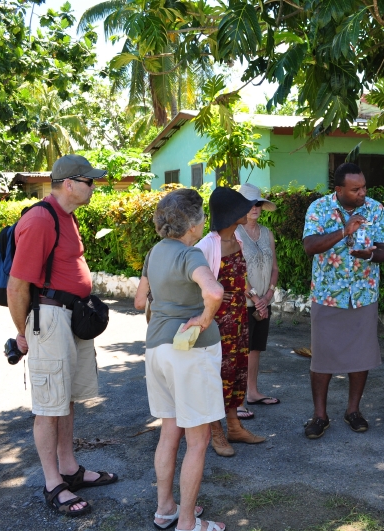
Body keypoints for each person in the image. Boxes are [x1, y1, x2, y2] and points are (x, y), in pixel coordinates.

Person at [6, 155, 117, 517]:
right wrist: (22, 332)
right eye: (90, 181)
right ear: (69, 183)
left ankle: (69, 469)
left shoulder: (66, 216)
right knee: (48, 405)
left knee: (66, 398)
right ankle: (53, 483)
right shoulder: (41, 219)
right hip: (50, 318)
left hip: (72, 317)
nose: (94, 187)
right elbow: (17, 285)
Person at [144, 189, 226, 531]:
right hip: (189, 353)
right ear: (193, 224)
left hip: (156, 349)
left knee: (169, 432)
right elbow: (214, 292)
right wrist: (204, 320)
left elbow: (141, 300)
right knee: (198, 441)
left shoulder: (155, 252)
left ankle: (166, 509)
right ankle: (188, 522)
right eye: (202, 216)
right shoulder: (191, 255)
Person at [302, 162, 384, 438]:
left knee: (361, 356)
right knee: (322, 359)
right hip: (328, 295)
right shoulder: (319, 208)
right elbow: (310, 246)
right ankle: (320, 415)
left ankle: (353, 411)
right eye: (355, 189)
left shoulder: (375, 208)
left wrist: (370, 255)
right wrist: (344, 232)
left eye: (364, 187)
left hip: (364, 295)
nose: (362, 193)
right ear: (339, 189)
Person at [196, 187, 265, 457]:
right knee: (217, 375)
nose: (248, 210)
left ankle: (234, 426)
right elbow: (194, 283)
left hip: (238, 317)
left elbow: (240, 277)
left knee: (237, 371)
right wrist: (212, 293)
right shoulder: (206, 245)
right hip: (217, 321)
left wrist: (252, 295)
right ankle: (216, 431)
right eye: (242, 207)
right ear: (229, 213)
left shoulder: (237, 239)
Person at [235, 183, 280, 420]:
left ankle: (252, 393)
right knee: (239, 351)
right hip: (243, 302)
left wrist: (268, 296)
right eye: (250, 204)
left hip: (263, 301)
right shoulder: (234, 234)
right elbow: (235, 271)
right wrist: (254, 296)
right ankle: (236, 401)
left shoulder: (267, 233)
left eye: (258, 203)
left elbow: (275, 268)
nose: (255, 208)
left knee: (255, 349)